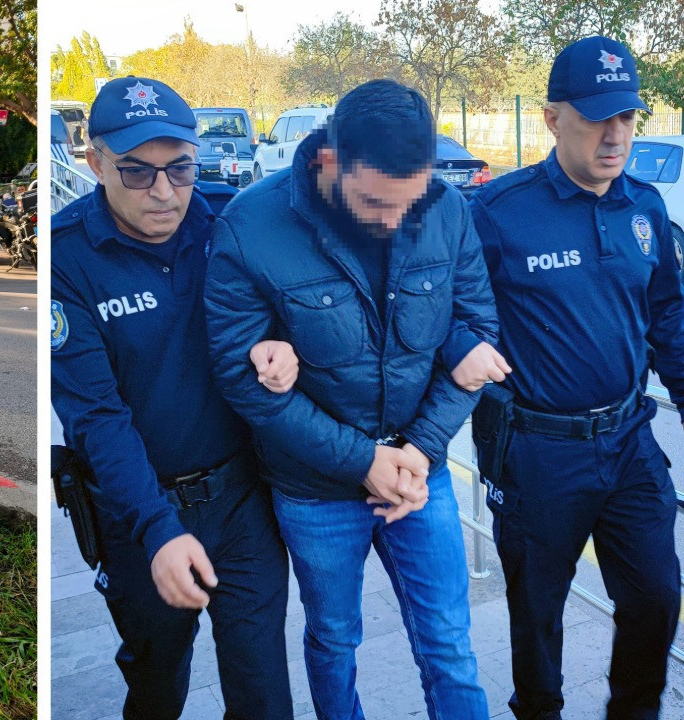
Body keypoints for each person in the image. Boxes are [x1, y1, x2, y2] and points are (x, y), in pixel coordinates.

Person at [205, 79, 501, 719]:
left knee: (450, 643)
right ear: (329, 162)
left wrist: (420, 450)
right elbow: (242, 380)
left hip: (422, 473)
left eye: (409, 201)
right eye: (374, 202)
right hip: (315, 488)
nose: (395, 220)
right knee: (335, 639)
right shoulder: (251, 226)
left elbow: (477, 335)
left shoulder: (446, 210)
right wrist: (362, 460)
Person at [52, 76, 296, 719]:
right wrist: (159, 531)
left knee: (264, 688)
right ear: (95, 161)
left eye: (179, 168)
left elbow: (291, 302)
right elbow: (96, 418)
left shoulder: (228, 222)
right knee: (158, 684)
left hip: (244, 499)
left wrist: (284, 344)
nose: (164, 192)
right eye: (136, 172)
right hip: (140, 512)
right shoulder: (66, 257)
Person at [465, 36, 684, 720]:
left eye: (626, 117)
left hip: (628, 442)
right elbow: (444, 309)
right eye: (596, 118)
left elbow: (668, 312)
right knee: (538, 615)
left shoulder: (645, 208)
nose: (614, 134)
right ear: (555, 118)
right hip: (537, 453)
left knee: (656, 595)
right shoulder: (497, 212)